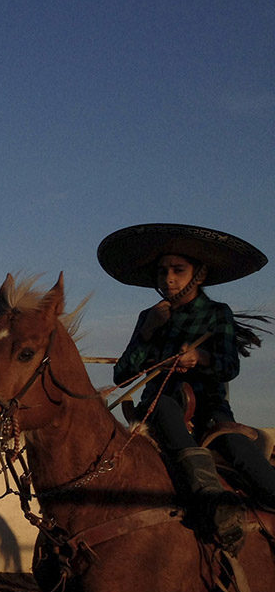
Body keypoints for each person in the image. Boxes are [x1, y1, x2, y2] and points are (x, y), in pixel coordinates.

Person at [98, 223, 275, 551]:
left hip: (211, 413)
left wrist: (201, 357)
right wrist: (148, 332)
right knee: (162, 405)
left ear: (199, 274)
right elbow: (122, 376)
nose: (168, 278)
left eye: (178, 270)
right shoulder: (148, 317)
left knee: (245, 457)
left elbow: (229, 367)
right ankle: (211, 497)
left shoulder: (216, 314)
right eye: (163, 271)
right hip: (155, 413)